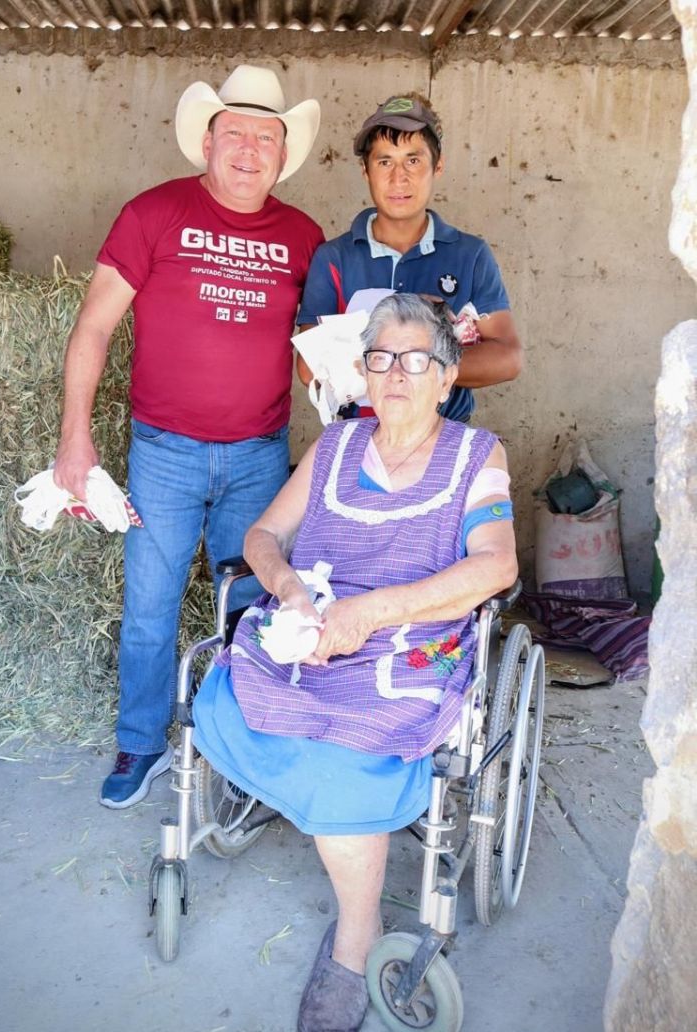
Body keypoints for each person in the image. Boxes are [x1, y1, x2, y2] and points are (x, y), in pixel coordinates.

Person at [192, 293, 518, 1032]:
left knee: (344, 756)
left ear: (447, 377)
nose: (396, 375)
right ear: (363, 374)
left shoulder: (477, 456)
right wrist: (288, 588)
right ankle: (324, 809)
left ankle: (352, 942)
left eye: (415, 360)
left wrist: (372, 611)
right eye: (380, 359)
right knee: (240, 693)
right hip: (312, 632)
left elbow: (495, 567)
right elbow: (264, 534)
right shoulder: (335, 448)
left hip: (406, 646)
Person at [52, 65, 324, 809]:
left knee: (252, 612)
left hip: (259, 457)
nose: (248, 149)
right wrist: (75, 438)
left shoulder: (304, 237)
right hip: (164, 453)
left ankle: (244, 754)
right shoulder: (154, 214)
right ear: (206, 140)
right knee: (151, 606)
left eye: (265, 137)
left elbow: (318, 350)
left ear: (282, 152)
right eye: (234, 133)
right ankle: (140, 744)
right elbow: (94, 326)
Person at [296, 93, 521, 423]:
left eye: (413, 161)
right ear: (365, 171)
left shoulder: (470, 255)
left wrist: (411, 361)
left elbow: (508, 357)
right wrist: (424, 355)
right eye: (384, 162)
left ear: (438, 166)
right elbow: (309, 368)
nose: (398, 178)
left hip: (444, 439)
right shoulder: (334, 258)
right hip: (359, 437)